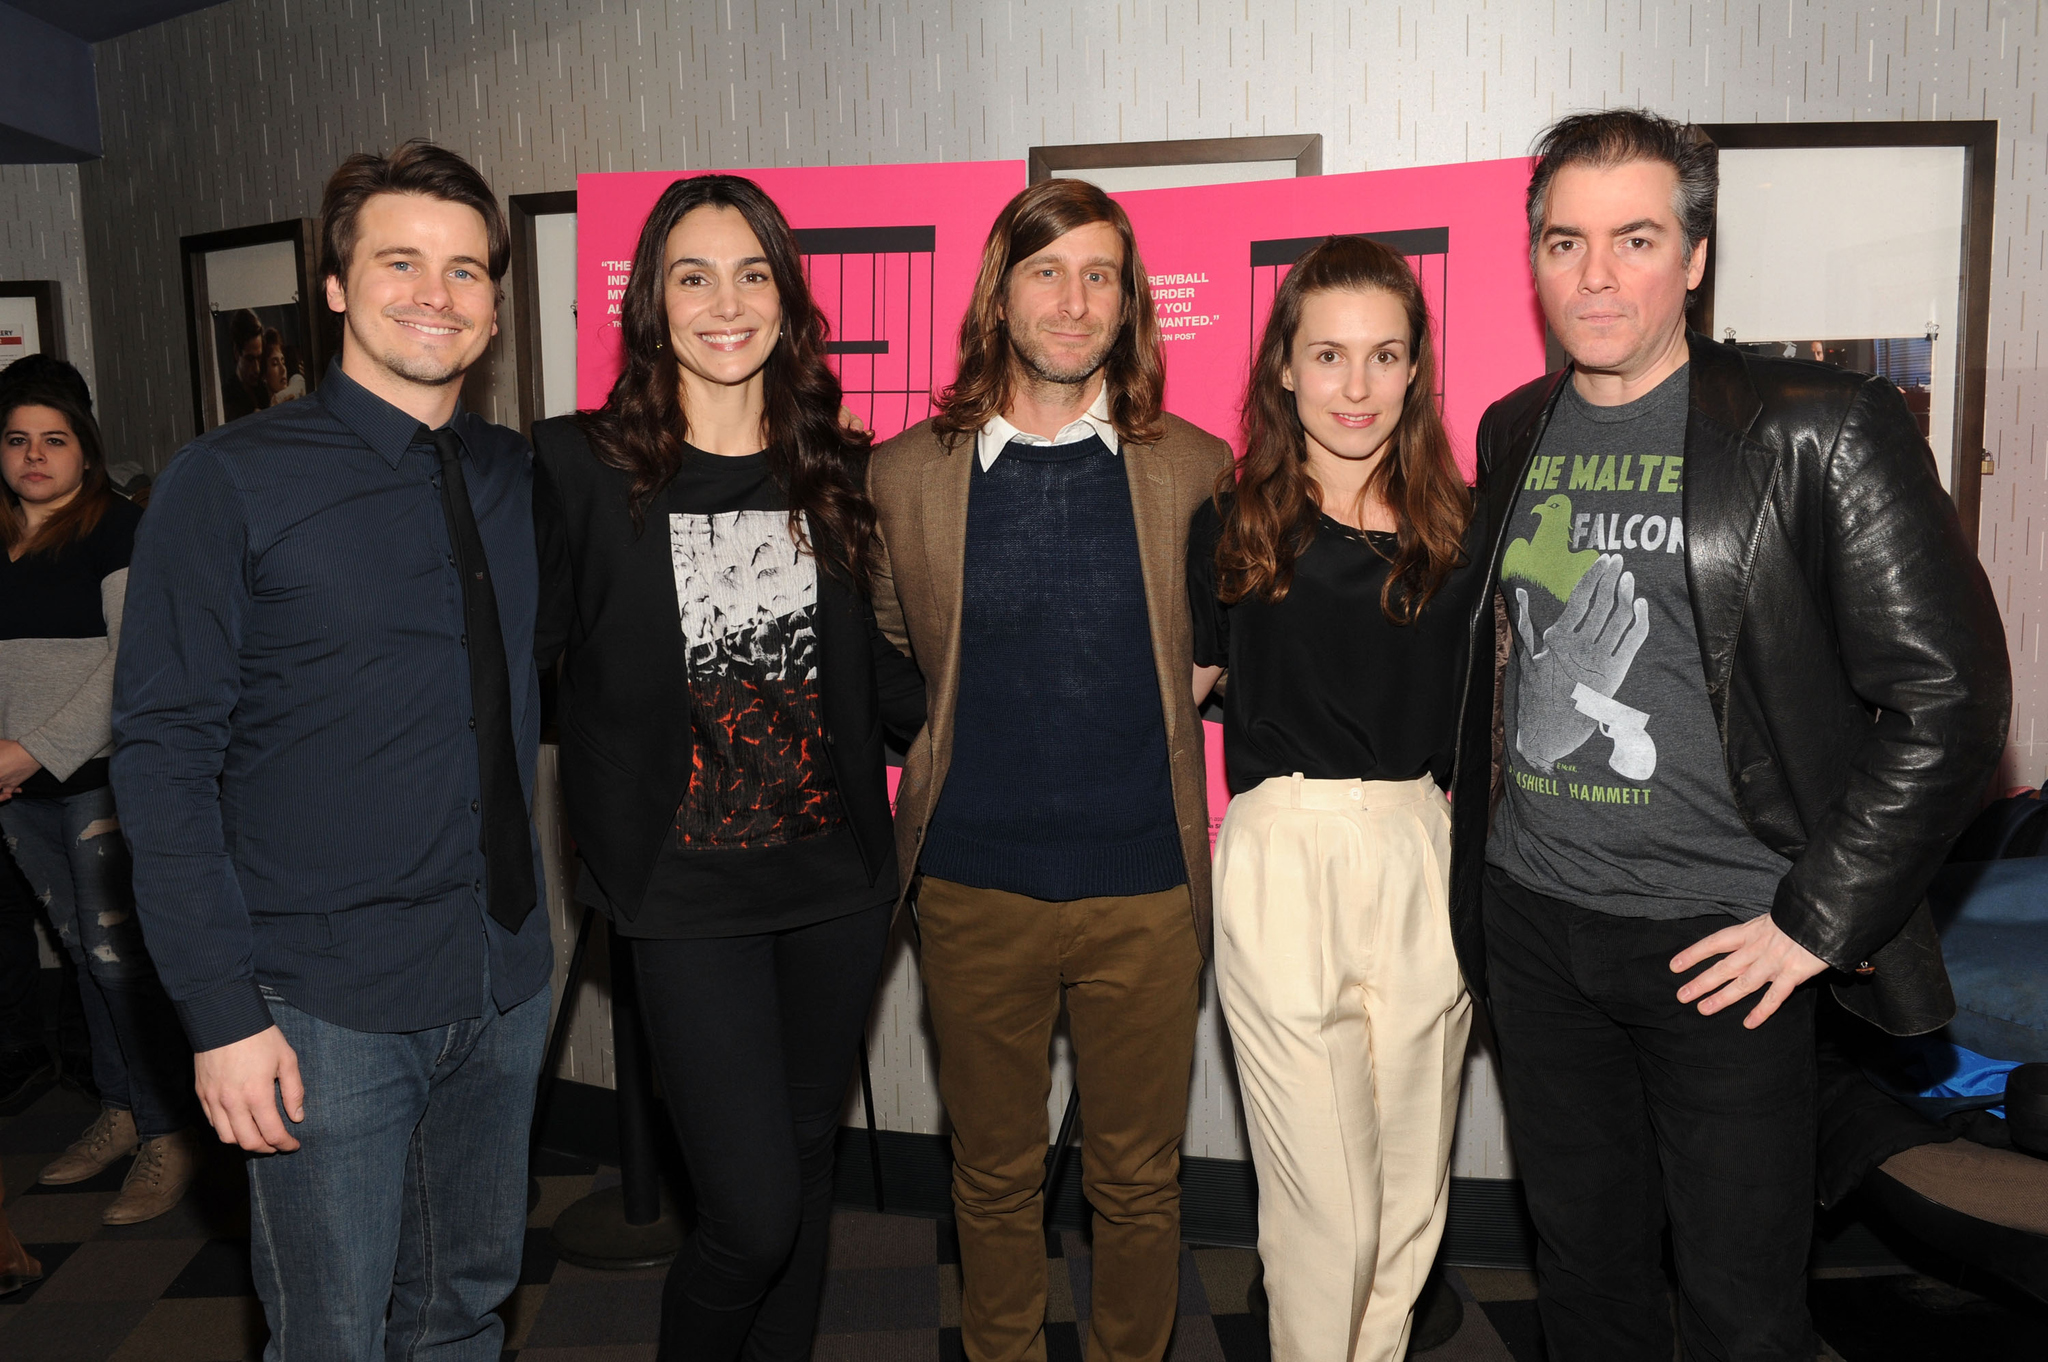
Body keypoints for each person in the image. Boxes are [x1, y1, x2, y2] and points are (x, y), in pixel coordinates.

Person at [1448, 109, 2011, 1361]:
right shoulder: (1509, 431)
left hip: (1726, 948)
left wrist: (1814, 921)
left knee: (1739, 1308)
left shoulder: (1817, 428)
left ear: (1693, 256)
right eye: (1563, 241)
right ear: (1532, 256)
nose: (1593, 276)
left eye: (1633, 238)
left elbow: (1952, 697)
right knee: (1585, 1282)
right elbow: (1509, 660)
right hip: (1537, 930)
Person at [113, 141, 553, 1359]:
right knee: (332, 1335)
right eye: (401, 261)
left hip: (504, 979)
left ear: (495, 307)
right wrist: (216, 1014)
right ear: (338, 286)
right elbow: (159, 758)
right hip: (317, 1011)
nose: (436, 293)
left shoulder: (515, 476)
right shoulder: (227, 482)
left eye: (467, 271)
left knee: (465, 1309)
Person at [533, 172, 926, 1362]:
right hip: (683, 893)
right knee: (747, 1215)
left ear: (785, 298)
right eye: (692, 275)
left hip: (837, 890)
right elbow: (525, 671)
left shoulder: (843, 472)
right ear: (652, 301)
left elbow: (888, 690)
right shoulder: (577, 471)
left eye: (752, 274)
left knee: (805, 1174)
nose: (725, 302)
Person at [868, 177, 1229, 1362]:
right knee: (991, 1181)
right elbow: (887, 650)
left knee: (1137, 1186)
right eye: (1044, 271)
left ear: (1128, 303)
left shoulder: (1196, 465)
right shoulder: (906, 474)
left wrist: (1206, 670)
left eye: (1098, 275)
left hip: (1144, 889)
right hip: (972, 886)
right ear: (998, 291)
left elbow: (1233, 633)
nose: (1072, 302)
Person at [1188, 235, 1481, 1362]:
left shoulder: (1458, 532)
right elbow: (1179, 698)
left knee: (1407, 1202)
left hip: (1419, 843)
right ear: (1283, 369)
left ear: (1413, 372)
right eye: (1327, 356)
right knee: (1326, 1210)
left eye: (1382, 356)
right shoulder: (1232, 523)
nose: (1354, 387)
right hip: (1281, 850)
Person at [0, 381, 204, 1223]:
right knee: (81, 958)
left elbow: (130, 666)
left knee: (123, 963)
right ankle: (119, 1113)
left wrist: (26, 750)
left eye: (54, 440)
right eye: (16, 440)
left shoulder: (120, 529)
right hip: (16, 789)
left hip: (98, 782)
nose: (34, 456)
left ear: (85, 449)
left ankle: (171, 1134)